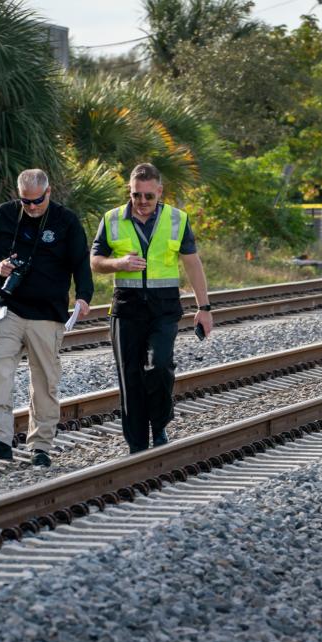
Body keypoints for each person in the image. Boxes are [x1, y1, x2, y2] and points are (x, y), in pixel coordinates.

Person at [0, 169, 93, 468]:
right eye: (26, 201)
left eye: (38, 200)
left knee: (44, 382)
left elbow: (81, 263)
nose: (32, 207)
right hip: (7, 308)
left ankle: (41, 445)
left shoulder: (66, 221)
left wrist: (83, 297)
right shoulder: (3, 215)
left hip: (47, 314)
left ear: (48, 193)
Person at [90, 163, 214, 454]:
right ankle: (137, 446)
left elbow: (193, 264)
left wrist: (204, 307)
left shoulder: (177, 219)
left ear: (159, 191)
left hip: (163, 308)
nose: (142, 202)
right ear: (129, 192)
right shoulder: (112, 219)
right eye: (136, 195)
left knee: (159, 366)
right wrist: (117, 264)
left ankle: (159, 424)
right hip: (126, 308)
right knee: (130, 376)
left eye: (148, 196)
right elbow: (95, 261)